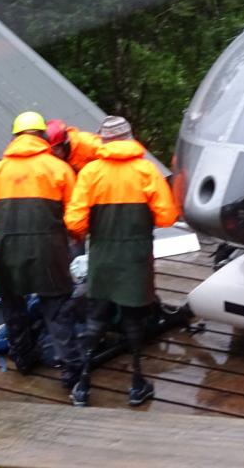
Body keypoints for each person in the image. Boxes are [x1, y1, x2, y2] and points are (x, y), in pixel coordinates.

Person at [64, 115, 179, 407]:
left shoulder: (90, 172)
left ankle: (83, 385)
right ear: (129, 139)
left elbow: (74, 222)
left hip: (103, 257)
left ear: (103, 141)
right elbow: (167, 216)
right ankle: (137, 384)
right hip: (136, 258)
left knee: (96, 318)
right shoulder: (146, 171)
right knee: (133, 320)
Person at [0, 110, 84, 390]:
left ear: (15, 137)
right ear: (43, 136)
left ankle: (23, 359)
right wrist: (75, 236)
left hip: (7, 253)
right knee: (57, 310)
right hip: (49, 252)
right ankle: (71, 371)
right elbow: (74, 217)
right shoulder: (59, 169)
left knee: (13, 309)